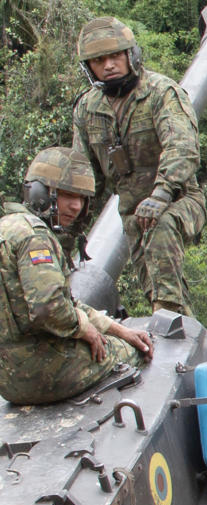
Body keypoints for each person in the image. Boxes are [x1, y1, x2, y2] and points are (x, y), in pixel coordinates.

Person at [69, 15, 204, 317]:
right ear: (88, 67)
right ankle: (180, 335)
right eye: (98, 60)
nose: (108, 65)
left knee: (162, 233)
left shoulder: (160, 93)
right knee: (158, 293)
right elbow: (83, 174)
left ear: (131, 55)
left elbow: (182, 146)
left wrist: (161, 194)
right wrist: (68, 227)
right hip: (133, 215)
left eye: (115, 55)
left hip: (180, 201)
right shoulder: (87, 109)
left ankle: (170, 321)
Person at [0, 148, 154, 405]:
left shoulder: (8, 228)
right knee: (137, 352)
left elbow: (66, 303)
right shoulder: (35, 237)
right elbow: (49, 308)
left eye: (81, 198)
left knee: (120, 339)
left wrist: (117, 329)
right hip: (44, 374)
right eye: (67, 195)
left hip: (8, 380)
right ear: (40, 194)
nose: (75, 206)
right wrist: (86, 330)